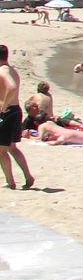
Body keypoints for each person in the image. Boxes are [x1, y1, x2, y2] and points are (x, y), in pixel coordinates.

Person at [0, 44, 31, 190]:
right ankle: (28, 176)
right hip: (16, 110)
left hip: (8, 112)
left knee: (1, 150)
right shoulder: (12, 70)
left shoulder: (2, 71)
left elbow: (11, 87)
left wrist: (3, 105)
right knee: (12, 147)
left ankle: (10, 182)